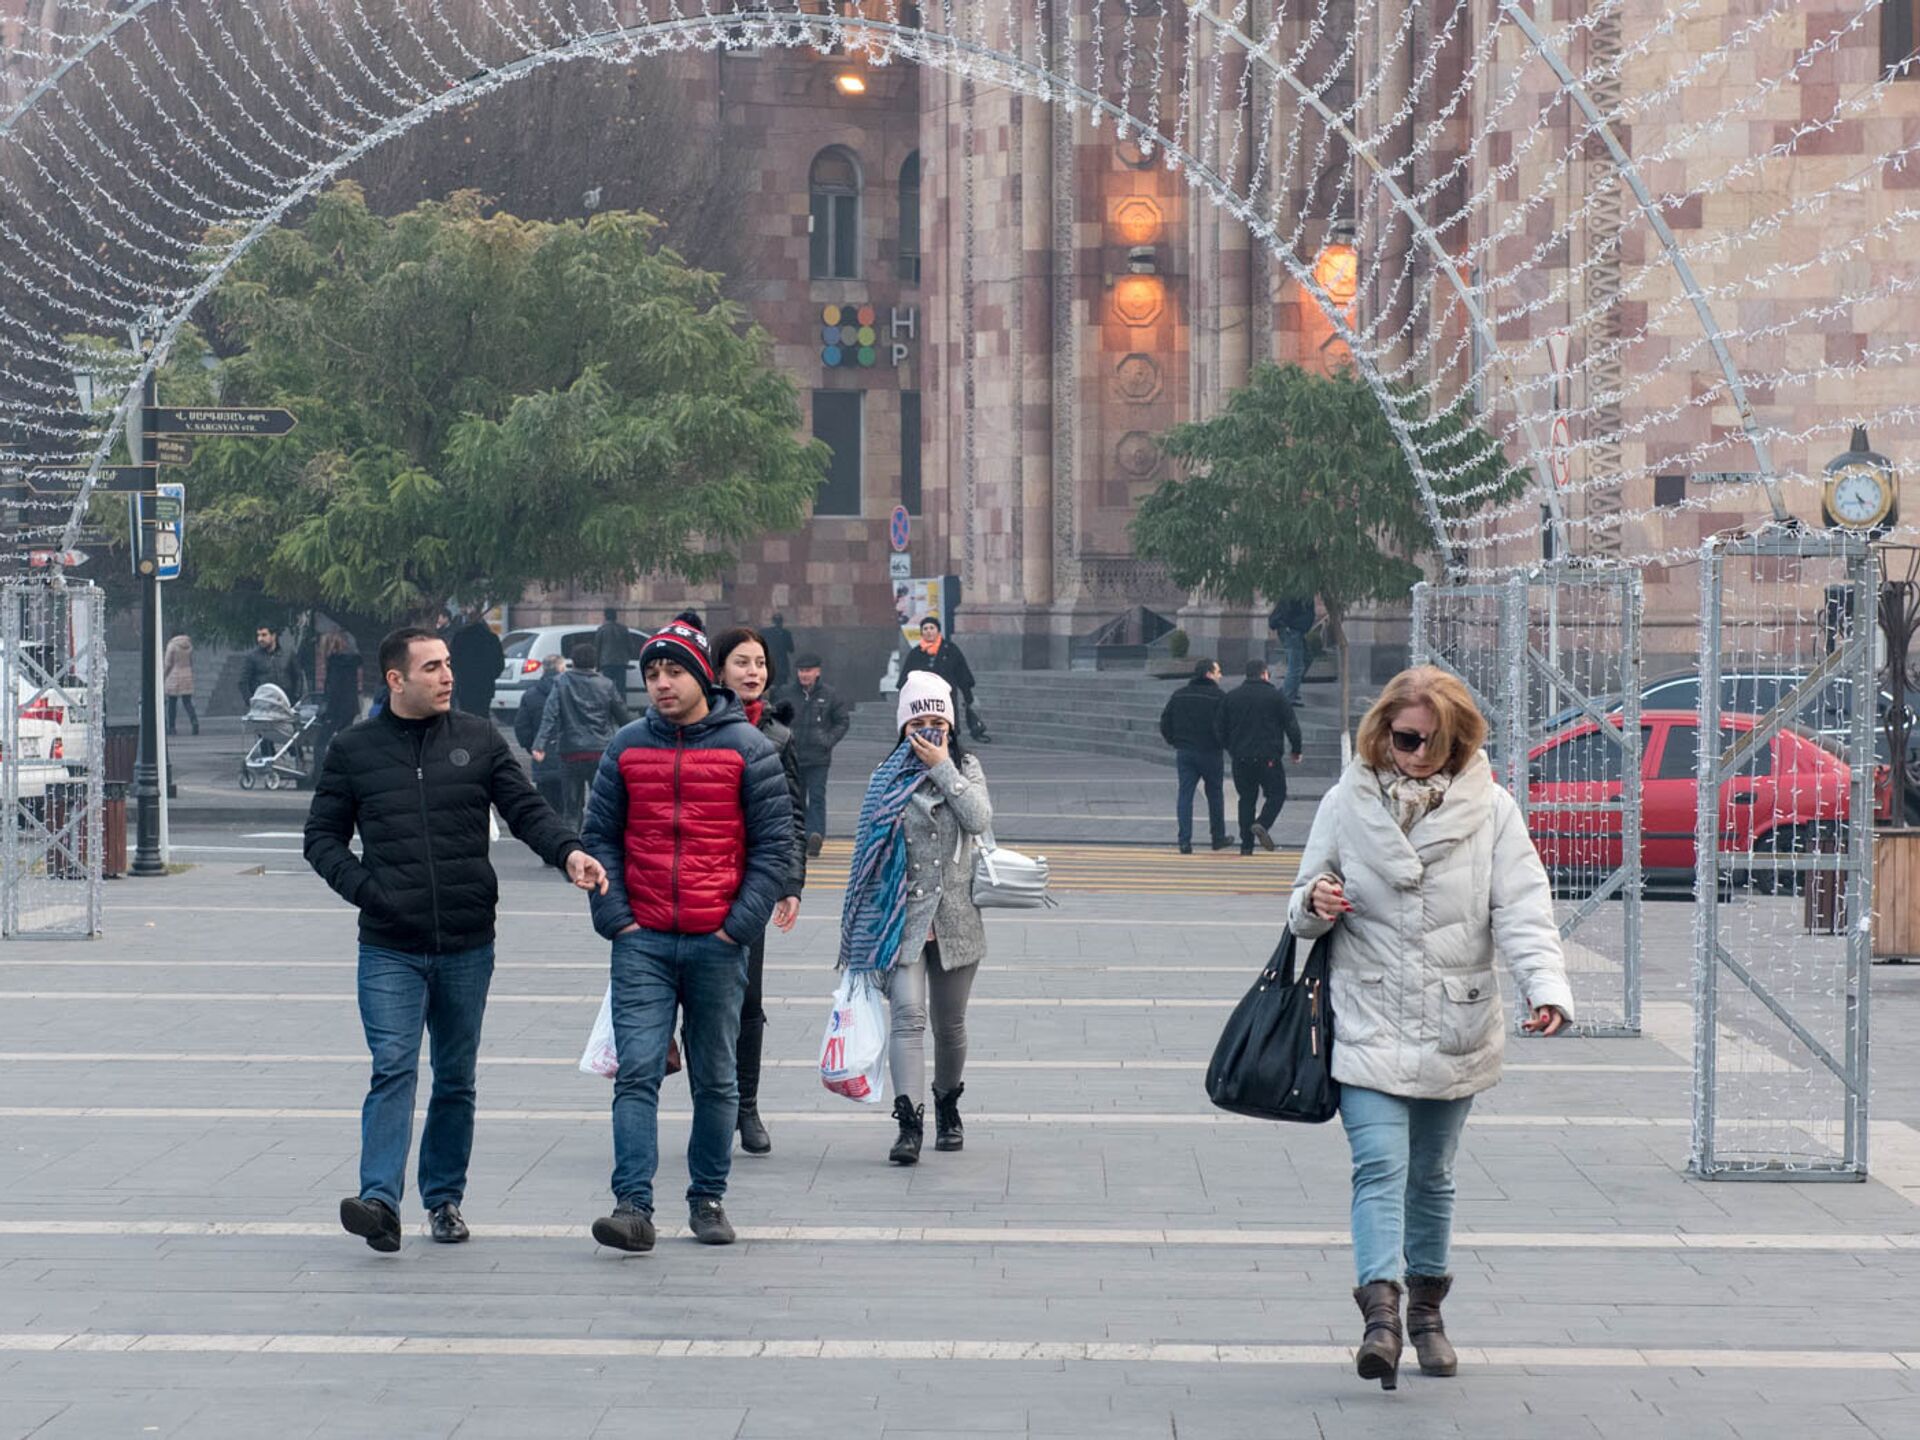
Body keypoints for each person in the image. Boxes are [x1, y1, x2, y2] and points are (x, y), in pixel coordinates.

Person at [1288, 665, 1573, 1391]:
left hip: (1456, 1016)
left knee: (1434, 1178)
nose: (1413, 752)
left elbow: (1523, 907)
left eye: (1430, 742)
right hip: (1369, 1013)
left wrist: (1548, 989)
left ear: (1457, 744)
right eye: (1402, 736)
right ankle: (1380, 1318)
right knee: (1380, 1165)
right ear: (1381, 729)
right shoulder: (1346, 803)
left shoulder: (1493, 811)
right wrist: (1316, 903)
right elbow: (1298, 903)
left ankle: (1427, 1315)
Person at [303, 626, 609, 1253]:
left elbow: (526, 809)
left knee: (455, 1077)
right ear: (396, 680)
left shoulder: (477, 737)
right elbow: (322, 840)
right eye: (433, 667)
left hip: (468, 942)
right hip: (389, 942)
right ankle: (379, 1202)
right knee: (393, 1066)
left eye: (448, 665)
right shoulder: (354, 749)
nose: (448, 676)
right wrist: (371, 892)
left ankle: (444, 1200)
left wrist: (569, 852)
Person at [581, 613, 791, 1253]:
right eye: (652, 673)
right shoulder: (625, 747)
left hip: (715, 941)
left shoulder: (748, 749)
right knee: (637, 1072)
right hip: (640, 937)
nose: (661, 683)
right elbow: (600, 839)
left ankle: (707, 1198)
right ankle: (633, 1207)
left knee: (716, 1078)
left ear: (702, 674)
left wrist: (737, 928)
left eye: (674, 671)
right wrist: (615, 918)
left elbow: (773, 850)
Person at [839, 671, 993, 1165]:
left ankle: (948, 1105)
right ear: (903, 726)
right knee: (907, 1020)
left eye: (937, 721)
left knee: (950, 1027)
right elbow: (866, 852)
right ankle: (909, 1123)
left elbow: (980, 819)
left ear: (950, 724)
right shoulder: (885, 776)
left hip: (955, 919)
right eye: (918, 722)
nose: (928, 731)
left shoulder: (966, 765)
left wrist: (945, 768)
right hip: (900, 920)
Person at [713, 626, 810, 1156]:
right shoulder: (696, 726)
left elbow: (794, 816)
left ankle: (744, 1107)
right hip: (694, 882)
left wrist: (790, 883)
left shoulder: (778, 736)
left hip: (750, 886)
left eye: (760, 663)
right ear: (718, 670)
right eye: (741, 663)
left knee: (748, 1001)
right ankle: (715, 1103)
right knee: (698, 1002)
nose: (753, 672)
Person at [531, 641, 631, 827]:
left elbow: (550, 714)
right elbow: (623, 717)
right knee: (602, 803)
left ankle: (571, 847)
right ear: (596, 663)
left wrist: (540, 744)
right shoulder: (606, 684)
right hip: (600, 750)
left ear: (572, 663)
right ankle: (599, 845)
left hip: (570, 751)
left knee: (571, 808)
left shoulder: (561, 683)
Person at [1218, 658, 1304, 855]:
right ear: (1265, 674)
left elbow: (1219, 727)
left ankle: (1246, 845)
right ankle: (1262, 823)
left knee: (1246, 799)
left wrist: (1231, 747)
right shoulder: (1276, 696)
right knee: (1277, 794)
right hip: (1269, 757)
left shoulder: (1232, 697)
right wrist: (1296, 749)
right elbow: (1291, 725)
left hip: (1241, 757)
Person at [776, 652, 850, 857]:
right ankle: (801, 838)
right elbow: (775, 719)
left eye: (808, 671)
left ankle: (815, 835)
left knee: (817, 797)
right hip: (793, 755)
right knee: (796, 800)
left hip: (818, 757)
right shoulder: (786, 693)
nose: (804, 675)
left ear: (818, 672)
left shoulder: (829, 694)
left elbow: (842, 721)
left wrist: (827, 739)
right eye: (800, 671)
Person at [1158, 658, 1229, 853]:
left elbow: (1165, 722)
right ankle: (1218, 838)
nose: (1220, 675)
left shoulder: (1180, 695)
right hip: (1211, 753)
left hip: (1186, 752)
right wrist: (1222, 743)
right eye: (1218, 672)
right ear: (1208, 674)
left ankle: (1184, 840)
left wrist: (1175, 741)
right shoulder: (1219, 697)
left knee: (1185, 795)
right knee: (1214, 795)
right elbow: (1226, 725)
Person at [900, 616, 989, 741]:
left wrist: (968, 695)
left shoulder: (950, 650)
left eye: (932, 628)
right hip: (923, 697)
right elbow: (906, 677)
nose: (929, 631)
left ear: (938, 631)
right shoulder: (916, 653)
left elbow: (961, 672)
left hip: (945, 696)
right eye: (925, 629)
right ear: (921, 632)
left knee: (947, 724)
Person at [514, 654, 568, 814]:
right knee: (570, 809)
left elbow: (521, 727)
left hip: (542, 756)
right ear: (561, 668)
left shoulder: (530, 695)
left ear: (544, 669)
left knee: (546, 808)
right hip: (567, 756)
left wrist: (533, 747)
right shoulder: (569, 692)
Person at [315, 630, 364, 760]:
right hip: (350, 707)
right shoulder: (352, 662)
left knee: (321, 743)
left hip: (336, 709)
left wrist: (326, 707)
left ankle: (318, 776)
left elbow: (333, 688)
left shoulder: (335, 664)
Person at [448, 608, 505, 718]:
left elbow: (453, 661)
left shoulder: (460, 637)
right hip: (485, 685)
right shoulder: (491, 638)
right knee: (482, 715)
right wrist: (490, 676)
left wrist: (459, 675)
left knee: (466, 716)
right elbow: (499, 664)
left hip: (465, 684)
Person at [1268, 594, 1317, 704]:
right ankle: (1287, 697)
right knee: (1296, 666)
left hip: (1295, 630)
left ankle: (1288, 690)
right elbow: (1286, 608)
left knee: (1306, 658)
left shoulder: (1304, 588)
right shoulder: (1298, 589)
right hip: (1292, 630)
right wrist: (1288, 625)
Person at [239, 624, 303, 707]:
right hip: (261, 706)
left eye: (264, 635)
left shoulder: (288, 654)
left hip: (285, 705)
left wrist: (295, 698)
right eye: (258, 635)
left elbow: (298, 677)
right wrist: (251, 701)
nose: (260, 639)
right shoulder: (252, 657)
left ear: (273, 636)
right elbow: (243, 681)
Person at [594, 607, 633, 702]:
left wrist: (597, 665)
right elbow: (630, 646)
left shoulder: (602, 629)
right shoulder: (623, 629)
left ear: (605, 616)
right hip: (620, 663)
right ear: (616, 616)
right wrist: (627, 658)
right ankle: (621, 708)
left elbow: (597, 648)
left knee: (606, 688)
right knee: (621, 689)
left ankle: (608, 708)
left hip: (606, 663)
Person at [163, 628, 197, 736]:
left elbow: (168, 663)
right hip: (187, 674)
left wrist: (163, 675)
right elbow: (191, 662)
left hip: (174, 675)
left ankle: (172, 727)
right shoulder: (189, 645)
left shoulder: (172, 645)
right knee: (187, 702)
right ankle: (194, 721)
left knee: (172, 703)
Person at [762, 612, 797, 690]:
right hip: (779, 664)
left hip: (777, 664)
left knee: (777, 685)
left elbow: (791, 649)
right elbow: (791, 649)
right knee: (779, 685)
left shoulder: (767, 632)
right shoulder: (785, 633)